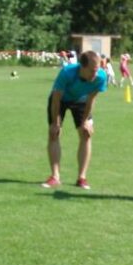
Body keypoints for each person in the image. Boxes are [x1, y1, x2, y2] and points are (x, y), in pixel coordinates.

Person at [42, 49, 107, 190]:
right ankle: (55, 176)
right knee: (54, 133)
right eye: (92, 70)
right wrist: (55, 123)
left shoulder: (101, 77)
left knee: (86, 134)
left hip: (82, 101)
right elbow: (56, 99)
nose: (95, 74)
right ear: (82, 67)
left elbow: (91, 99)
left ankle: (81, 178)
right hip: (61, 100)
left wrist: (85, 122)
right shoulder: (67, 72)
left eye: (97, 70)